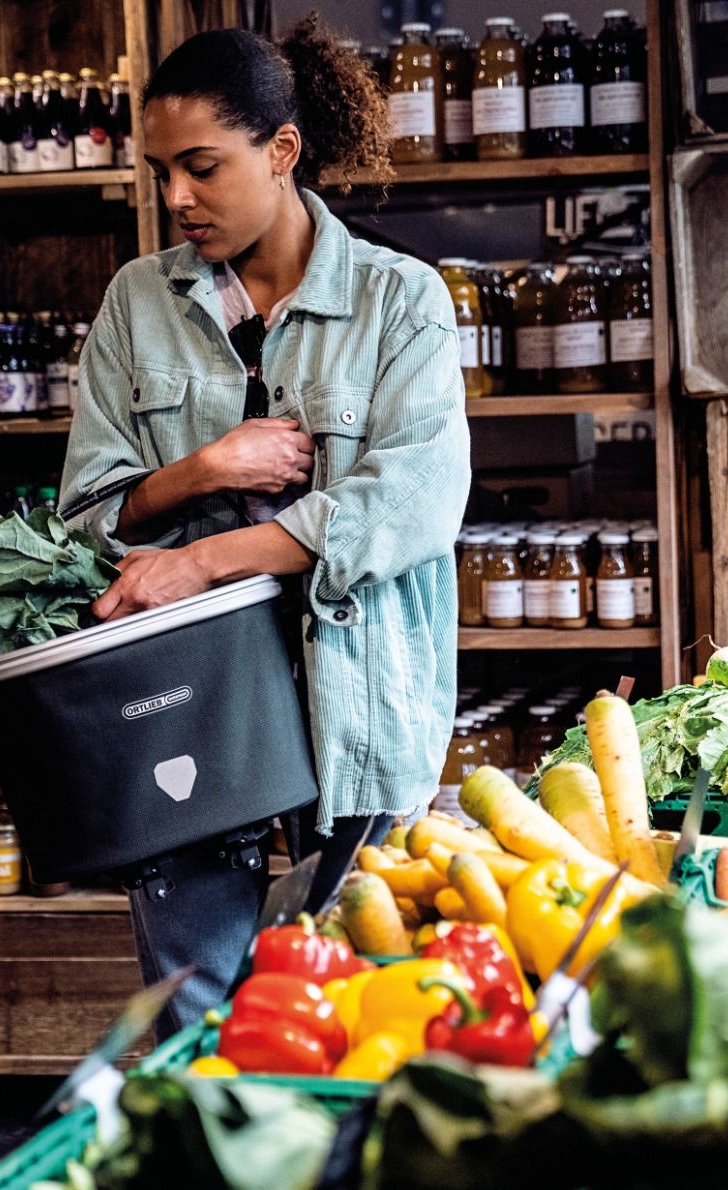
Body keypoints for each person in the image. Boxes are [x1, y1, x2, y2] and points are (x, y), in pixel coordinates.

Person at [58, 18, 470, 1038]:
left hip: (361, 701)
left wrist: (202, 560)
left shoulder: (398, 301)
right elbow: (85, 512)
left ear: (281, 150)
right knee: (197, 1014)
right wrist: (203, 469)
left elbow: (408, 502)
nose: (176, 198)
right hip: (188, 710)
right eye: (161, 172)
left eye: (201, 167)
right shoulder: (136, 305)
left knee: (361, 1006)